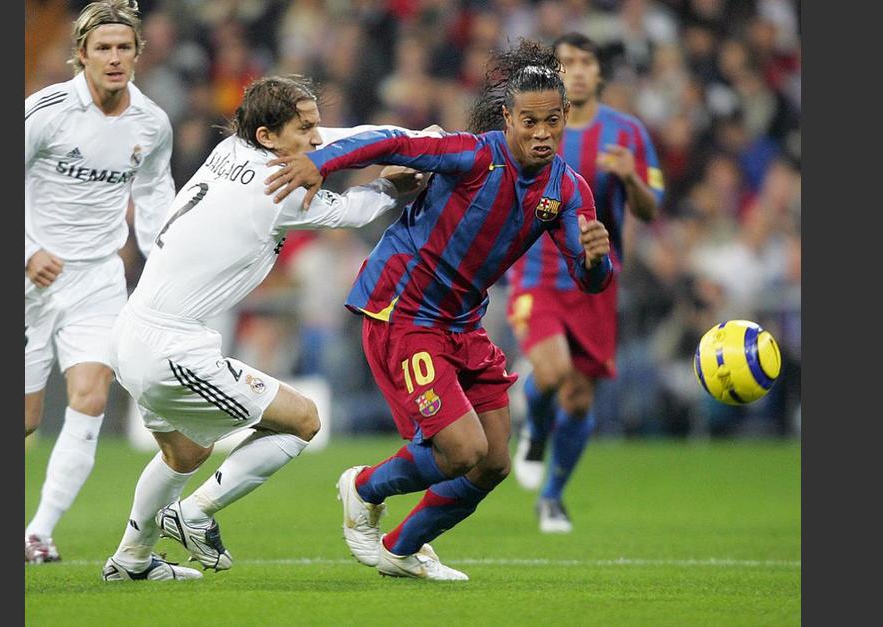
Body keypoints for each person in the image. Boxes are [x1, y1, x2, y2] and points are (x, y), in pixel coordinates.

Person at [265, 39, 615, 581]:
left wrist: (597, 260)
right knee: (460, 450)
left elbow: (589, 280)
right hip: (403, 310)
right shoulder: (473, 155)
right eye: (529, 121)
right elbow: (395, 142)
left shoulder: (567, 190)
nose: (542, 133)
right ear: (507, 117)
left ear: (566, 115)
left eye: (552, 121)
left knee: (494, 461)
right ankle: (361, 487)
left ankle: (400, 549)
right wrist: (320, 161)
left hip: (461, 322)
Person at [101, 75, 425, 582]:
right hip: (171, 347)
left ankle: (130, 561)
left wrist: (412, 139)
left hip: (132, 332)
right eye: (305, 128)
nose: (316, 139)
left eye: (315, 125)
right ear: (269, 137)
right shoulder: (275, 187)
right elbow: (348, 212)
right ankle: (193, 514)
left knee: (185, 451)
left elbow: (342, 136)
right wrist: (389, 186)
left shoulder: (233, 147)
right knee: (302, 421)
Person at [25, 0, 176, 564]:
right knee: (26, 418)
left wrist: (163, 265)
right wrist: (27, 251)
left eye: (124, 48)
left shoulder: (151, 122)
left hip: (97, 280)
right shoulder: (45, 111)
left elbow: (156, 195)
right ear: (81, 55)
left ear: (138, 54)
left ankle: (37, 531)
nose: (114, 58)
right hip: (30, 279)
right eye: (103, 48)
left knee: (89, 399)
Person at [504, 33, 665, 533]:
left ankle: (552, 497)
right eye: (565, 63)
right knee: (551, 374)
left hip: (597, 276)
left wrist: (630, 178)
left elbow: (650, 208)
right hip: (536, 270)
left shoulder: (628, 134)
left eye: (585, 62)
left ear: (598, 72)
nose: (575, 70)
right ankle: (533, 431)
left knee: (579, 397)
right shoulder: (533, 125)